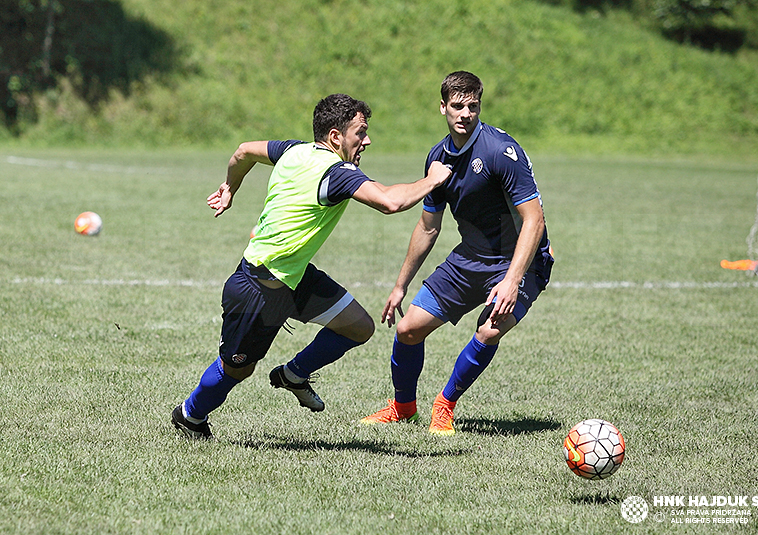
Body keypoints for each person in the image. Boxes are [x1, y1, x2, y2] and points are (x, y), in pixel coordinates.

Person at [171, 93, 452, 439]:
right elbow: (391, 202)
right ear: (335, 137)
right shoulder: (336, 173)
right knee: (237, 370)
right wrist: (434, 179)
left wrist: (230, 187)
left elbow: (243, 151)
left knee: (359, 327)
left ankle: (294, 374)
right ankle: (190, 415)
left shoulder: (294, 150)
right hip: (258, 288)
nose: (367, 140)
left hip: (295, 277)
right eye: (359, 133)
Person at [360, 71, 554, 435]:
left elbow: (535, 221)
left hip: (520, 262)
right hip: (470, 258)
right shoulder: (437, 158)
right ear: (443, 108)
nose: (465, 113)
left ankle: (445, 405)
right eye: (457, 106)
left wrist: (512, 282)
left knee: (489, 330)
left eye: (473, 106)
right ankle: (403, 408)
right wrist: (401, 285)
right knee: (407, 330)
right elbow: (428, 226)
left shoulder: (500, 152)